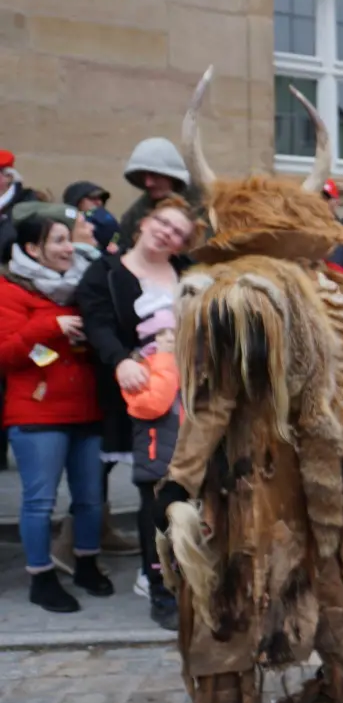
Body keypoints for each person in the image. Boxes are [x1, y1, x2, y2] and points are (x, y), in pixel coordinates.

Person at [114, 69, 343, 703]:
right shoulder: (332, 289)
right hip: (323, 466)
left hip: (254, 474)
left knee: (234, 589)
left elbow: (215, 402)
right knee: (334, 572)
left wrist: (179, 483)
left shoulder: (234, 296)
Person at [77, 199, 197, 592]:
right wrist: (120, 361)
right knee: (155, 490)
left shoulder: (188, 274)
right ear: (145, 222)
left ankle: (187, 569)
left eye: (177, 231)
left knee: (194, 487)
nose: (166, 232)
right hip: (143, 394)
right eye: (163, 222)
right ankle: (156, 578)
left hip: (193, 394)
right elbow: (99, 325)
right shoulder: (105, 273)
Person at [0, 205, 112, 614]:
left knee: (89, 499)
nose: (69, 248)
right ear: (32, 247)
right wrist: (51, 326)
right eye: (59, 241)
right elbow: (5, 354)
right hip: (37, 414)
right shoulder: (10, 289)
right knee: (39, 502)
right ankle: (41, 576)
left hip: (87, 408)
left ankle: (86, 562)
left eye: (69, 238)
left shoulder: (85, 282)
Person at [119, 294, 183, 630]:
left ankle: (185, 588)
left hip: (187, 464)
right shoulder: (141, 372)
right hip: (155, 466)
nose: (170, 340)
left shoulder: (185, 368)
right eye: (162, 335)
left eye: (175, 333)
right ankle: (160, 592)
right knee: (157, 534)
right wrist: (166, 362)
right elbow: (153, 405)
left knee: (185, 532)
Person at [116, 137, 201, 251]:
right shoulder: (133, 215)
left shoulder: (203, 205)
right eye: (143, 176)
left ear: (172, 175)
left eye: (154, 175)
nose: (148, 183)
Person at [62, 181, 121, 253]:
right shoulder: (63, 224)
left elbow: (117, 233)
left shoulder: (104, 217)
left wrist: (114, 243)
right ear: (77, 200)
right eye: (93, 198)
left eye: (101, 199)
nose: (99, 202)